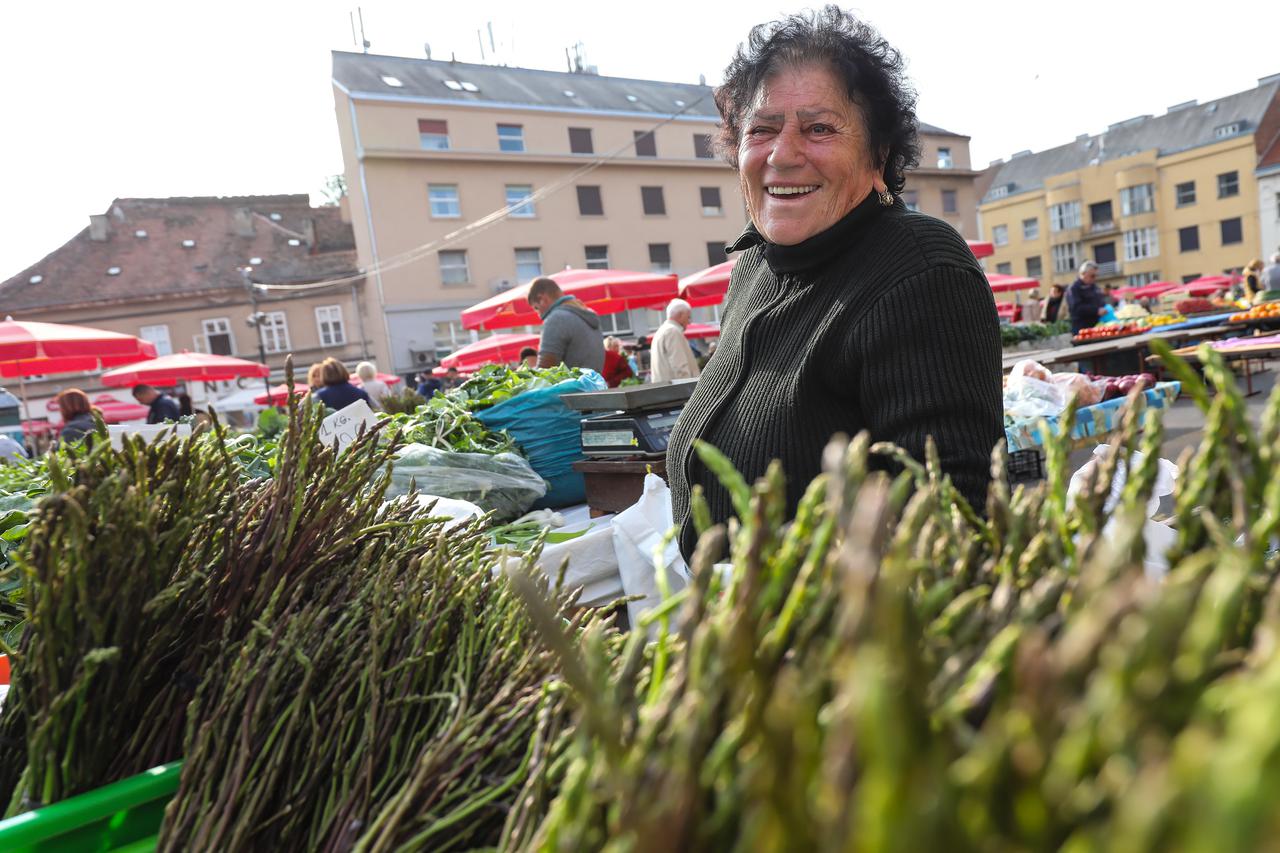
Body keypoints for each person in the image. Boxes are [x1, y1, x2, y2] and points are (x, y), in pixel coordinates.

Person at [665, 7, 1003, 561]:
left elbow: (951, 519)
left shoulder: (920, 269)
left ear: (879, 156)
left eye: (819, 129)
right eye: (762, 129)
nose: (783, 154)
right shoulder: (754, 270)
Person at [526, 277, 605, 373]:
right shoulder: (587, 314)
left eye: (536, 308)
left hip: (571, 387)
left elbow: (545, 369)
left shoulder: (556, 319)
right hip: (594, 385)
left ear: (542, 298)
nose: (539, 315)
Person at [650, 299, 701, 383]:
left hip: (665, 389)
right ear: (680, 315)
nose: (689, 322)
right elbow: (680, 367)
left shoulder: (661, 331)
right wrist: (689, 388)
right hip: (678, 390)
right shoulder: (672, 331)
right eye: (688, 317)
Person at [1064, 261, 1107, 334]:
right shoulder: (1074, 288)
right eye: (1092, 276)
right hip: (1082, 329)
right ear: (1083, 274)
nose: (1095, 278)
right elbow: (1077, 308)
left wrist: (1104, 307)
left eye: (1096, 275)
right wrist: (1096, 310)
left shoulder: (1094, 287)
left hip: (1096, 326)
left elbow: (1100, 301)